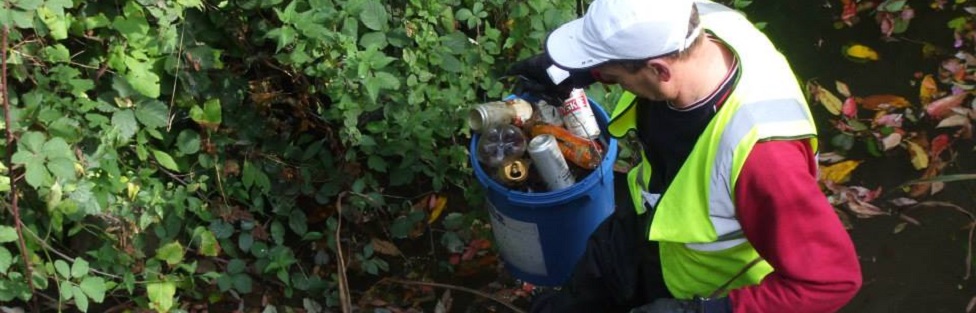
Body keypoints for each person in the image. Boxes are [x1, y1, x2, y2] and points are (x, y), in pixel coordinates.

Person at [505, 0, 862, 312]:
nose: (609, 80)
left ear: (659, 71)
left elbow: (831, 281)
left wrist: (703, 312)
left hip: (702, 286)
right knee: (577, 295)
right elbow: (633, 51)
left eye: (614, 76)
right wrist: (573, 70)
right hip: (643, 223)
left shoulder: (763, 158)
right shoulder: (697, 22)